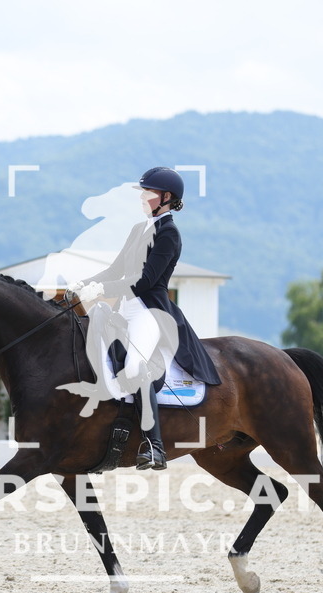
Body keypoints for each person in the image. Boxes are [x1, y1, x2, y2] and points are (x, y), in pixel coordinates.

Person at [70, 166, 220, 470]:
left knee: (137, 365)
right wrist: (84, 284)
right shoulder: (139, 229)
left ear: (166, 198)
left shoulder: (169, 233)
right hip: (123, 308)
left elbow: (146, 280)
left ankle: (155, 447)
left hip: (149, 310)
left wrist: (105, 288)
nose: (143, 197)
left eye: (148, 192)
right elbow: (115, 271)